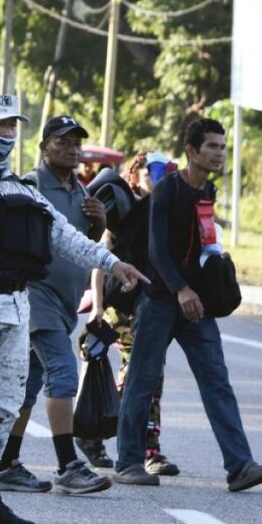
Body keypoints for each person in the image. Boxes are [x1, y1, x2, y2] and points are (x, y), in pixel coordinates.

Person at [0, 94, 146, 524]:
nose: (5, 134)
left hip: (15, 308)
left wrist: (111, 263)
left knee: (5, 406)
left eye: (11, 126)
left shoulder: (18, 188)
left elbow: (64, 237)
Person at [114, 119, 262, 491]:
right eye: (212, 147)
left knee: (217, 382)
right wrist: (180, 290)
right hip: (159, 299)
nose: (219, 153)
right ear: (191, 151)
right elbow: (156, 250)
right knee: (142, 380)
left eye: (222, 147)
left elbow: (203, 246)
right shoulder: (167, 191)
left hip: (195, 305)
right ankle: (127, 462)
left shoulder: (208, 191)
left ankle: (240, 467)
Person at [0, 116, 112, 495]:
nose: (71, 149)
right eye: (62, 142)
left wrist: (99, 224)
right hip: (36, 297)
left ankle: (6, 464)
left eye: (76, 143)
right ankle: (68, 464)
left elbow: (81, 245)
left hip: (64, 304)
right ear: (44, 145)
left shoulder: (80, 191)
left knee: (28, 386)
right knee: (62, 373)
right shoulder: (30, 186)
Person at [78, 151, 179, 475]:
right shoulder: (122, 209)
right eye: (151, 172)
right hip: (118, 307)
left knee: (150, 378)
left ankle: (133, 445)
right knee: (140, 377)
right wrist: (96, 308)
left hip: (151, 305)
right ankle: (139, 448)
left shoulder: (164, 211)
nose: (157, 178)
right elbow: (99, 262)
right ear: (134, 176)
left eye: (163, 173)